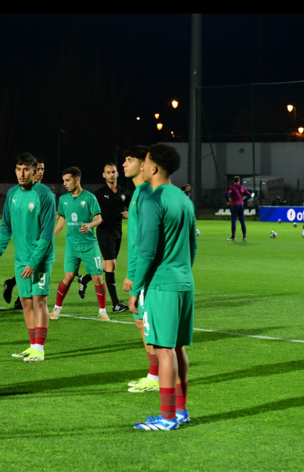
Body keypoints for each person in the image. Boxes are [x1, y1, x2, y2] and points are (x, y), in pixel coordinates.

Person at [129, 143, 196, 431]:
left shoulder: (153, 200)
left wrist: (135, 289)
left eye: (144, 162)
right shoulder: (184, 199)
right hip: (184, 283)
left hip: (162, 285)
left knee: (164, 349)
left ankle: (167, 418)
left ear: (154, 168)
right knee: (178, 348)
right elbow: (192, 246)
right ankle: (180, 411)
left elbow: (146, 251)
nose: (142, 167)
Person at [0, 153, 55, 362]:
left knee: (39, 300)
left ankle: (40, 349)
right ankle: (32, 345)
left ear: (35, 171)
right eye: (18, 169)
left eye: (26, 169)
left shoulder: (45, 195)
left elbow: (46, 234)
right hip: (20, 259)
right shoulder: (12, 194)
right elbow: (5, 227)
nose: (22, 173)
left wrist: (34, 263)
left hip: (41, 258)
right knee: (26, 301)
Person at [121, 145, 160, 393]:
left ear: (144, 165)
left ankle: (156, 377)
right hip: (141, 272)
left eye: (129, 159)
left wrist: (134, 276)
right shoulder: (137, 193)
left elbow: (145, 242)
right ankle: (153, 374)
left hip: (147, 275)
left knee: (148, 324)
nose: (124, 164)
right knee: (140, 322)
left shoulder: (145, 194)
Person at [51, 166, 109, 321]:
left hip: (89, 245)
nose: (65, 184)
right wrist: (51, 238)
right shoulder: (63, 199)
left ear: (77, 180)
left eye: (68, 180)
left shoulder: (90, 198)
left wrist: (90, 225)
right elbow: (62, 220)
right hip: (72, 245)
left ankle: (102, 311)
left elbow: (98, 218)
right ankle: (56, 309)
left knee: (97, 278)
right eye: (63, 181)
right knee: (68, 277)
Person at [3, 158, 45, 309]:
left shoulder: (43, 192)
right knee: (31, 267)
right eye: (38, 169)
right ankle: (20, 297)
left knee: (30, 268)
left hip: (37, 240)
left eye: (42, 169)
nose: (40, 172)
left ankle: (14, 289)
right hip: (28, 240)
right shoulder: (21, 192)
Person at [93, 163, 131, 313]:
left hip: (118, 231)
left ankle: (85, 278)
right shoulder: (99, 194)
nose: (111, 175)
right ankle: (115, 304)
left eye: (113, 172)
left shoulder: (124, 192)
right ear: (104, 175)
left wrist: (130, 214)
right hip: (104, 231)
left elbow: (133, 209)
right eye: (108, 172)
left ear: (117, 173)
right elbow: (90, 210)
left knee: (107, 265)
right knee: (112, 266)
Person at [226, 176, 252, 241]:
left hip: (234, 204)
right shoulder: (242, 187)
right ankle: (244, 237)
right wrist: (244, 200)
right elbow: (249, 195)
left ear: (233, 181)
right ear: (239, 181)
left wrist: (229, 201)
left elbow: (227, 195)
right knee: (242, 221)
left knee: (234, 220)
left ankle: (233, 237)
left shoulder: (232, 188)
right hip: (241, 204)